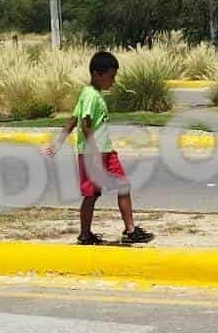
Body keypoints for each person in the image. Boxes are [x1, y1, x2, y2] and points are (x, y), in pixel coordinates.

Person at [43, 51, 155, 246]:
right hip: (92, 153)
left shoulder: (93, 95)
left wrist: (59, 141)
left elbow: (72, 120)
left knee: (122, 185)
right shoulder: (91, 96)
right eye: (111, 77)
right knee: (91, 194)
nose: (113, 81)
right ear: (97, 74)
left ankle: (130, 230)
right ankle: (85, 234)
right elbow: (84, 124)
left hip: (106, 152)